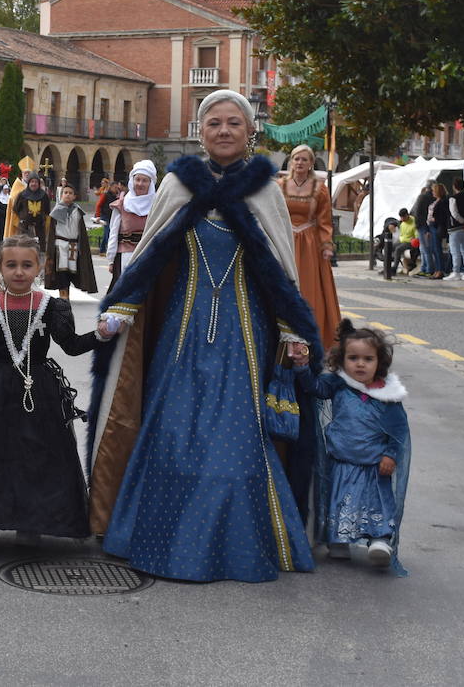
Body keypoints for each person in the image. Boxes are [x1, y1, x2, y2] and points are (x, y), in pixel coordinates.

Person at [87, 89, 324, 583]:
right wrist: (122, 311)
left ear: (249, 130)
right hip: (181, 329)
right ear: (199, 131)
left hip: (246, 334)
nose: (223, 131)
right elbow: (150, 258)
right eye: (213, 123)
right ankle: (149, 534)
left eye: (233, 123)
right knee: (172, 427)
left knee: (239, 433)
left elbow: (282, 270)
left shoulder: (265, 191)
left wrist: (293, 330)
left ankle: (237, 540)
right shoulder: (177, 185)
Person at [0, 235, 115, 551]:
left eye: (26, 265)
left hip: (37, 390)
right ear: (0, 268)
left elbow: (70, 346)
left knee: (36, 454)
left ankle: (31, 520)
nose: (19, 272)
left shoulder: (52, 307)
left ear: (39, 267)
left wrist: (101, 335)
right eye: (11, 265)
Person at [302, 320, 411, 574]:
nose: (360, 364)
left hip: (374, 464)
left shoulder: (387, 395)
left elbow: (398, 431)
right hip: (340, 459)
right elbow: (314, 389)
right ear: (341, 361)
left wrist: (391, 455)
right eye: (353, 358)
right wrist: (301, 368)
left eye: (368, 359)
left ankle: (380, 540)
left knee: (377, 503)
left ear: (379, 362)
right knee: (340, 500)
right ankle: (339, 540)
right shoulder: (338, 385)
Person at [277, 143, 341, 350]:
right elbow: (273, 215)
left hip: (309, 244)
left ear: (311, 163)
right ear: (291, 161)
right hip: (285, 240)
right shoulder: (279, 185)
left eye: (305, 159)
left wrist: (326, 245)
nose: (300, 163)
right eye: (296, 159)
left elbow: (324, 220)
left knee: (308, 289)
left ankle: (311, 338)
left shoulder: (320, 188)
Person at [105, 162, 157, 293]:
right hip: (124, 256)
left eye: (144, 180)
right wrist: (111, 259)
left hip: (148, 257)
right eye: (137, 179)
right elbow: (113, 233)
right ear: (132, 181)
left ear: (150, 183)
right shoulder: (122, 204)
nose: (140, 184)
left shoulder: (157, 205)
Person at [45, 183, 97, 299]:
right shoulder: (56, 212)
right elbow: (51, 232)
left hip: (73, 246)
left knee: (71, 272)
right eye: (65, 193)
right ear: (62, 194)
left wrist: (82, 247)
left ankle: (66, 294)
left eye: (70, 193)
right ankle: (63, 295)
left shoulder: (77, 212)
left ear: (74, 196)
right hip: (60, 246)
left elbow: (81, 232)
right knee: (61, 273)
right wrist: (50, 250)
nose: (67, 195)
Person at [2, 156, 36, 240]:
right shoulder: (17, 185)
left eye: (29, 173)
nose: (27, 175)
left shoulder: (34, 186)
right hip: (19, 221)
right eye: (25, 173)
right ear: (22, 173)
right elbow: (13, 200)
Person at [13, 175, 50, 248]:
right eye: (32, 182)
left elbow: (47, 210)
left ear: (39, 184)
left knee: (39, 250)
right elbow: (16, 208)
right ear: (29, 183)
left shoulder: (44, 195)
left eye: (36, 182)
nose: (34, 184)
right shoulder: (22, 195)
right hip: (24, 227)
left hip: (39, 228)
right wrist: (24, 217)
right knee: (23, 248)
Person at [412, 181, 437, 276]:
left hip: (422, 226)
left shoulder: (422, 197)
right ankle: (425, 268)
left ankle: (427, 269)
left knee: (425, 249)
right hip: (429, 225)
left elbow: (417, 211)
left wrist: (418, 225)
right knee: (426, 248)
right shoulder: (433, 198)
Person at [427, 182, 450, 279]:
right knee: (434, 249)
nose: (432, 192)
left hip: (436, 227)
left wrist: (434, 221)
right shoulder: (436, 201)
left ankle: (440, 270)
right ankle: (437, 269)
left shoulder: (443, 202)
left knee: (437, 249)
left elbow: (442, 216)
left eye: (433, 190)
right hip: (432, 227)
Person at [397, 208, 419, 275]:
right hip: (402, 241)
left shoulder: (414, 222)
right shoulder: (402, 223)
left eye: (403, 217)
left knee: (398, 249)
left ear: (407, 215)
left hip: (410, 242)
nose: (402, 219)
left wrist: (414, 239)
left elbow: (416, 234)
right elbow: (401, 234)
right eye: (401, 217)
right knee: (392, 247)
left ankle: (395, 267)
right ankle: (403, 268)